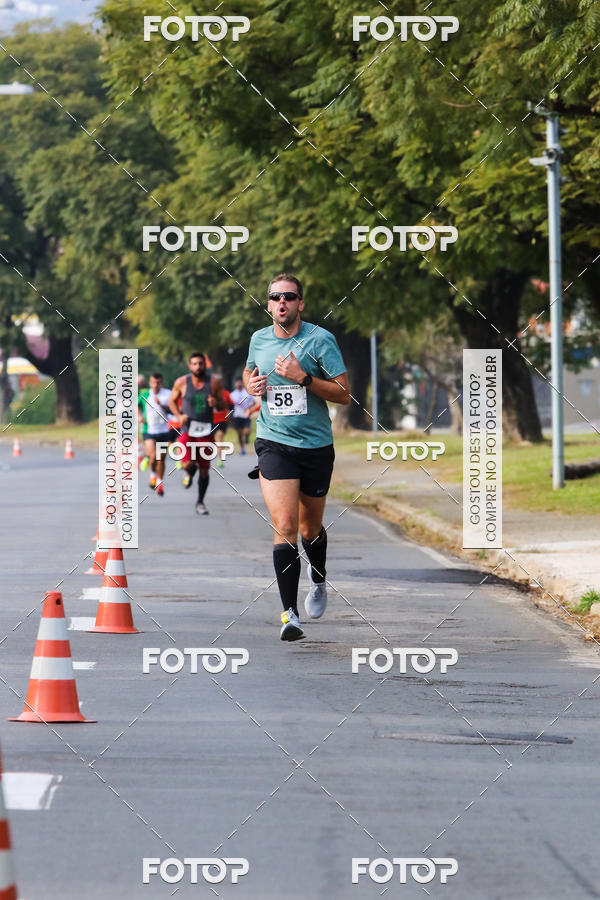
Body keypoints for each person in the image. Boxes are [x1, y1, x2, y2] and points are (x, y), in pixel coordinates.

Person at [243, 273, 350, 641]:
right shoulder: (259, 339)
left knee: (310, 528)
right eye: (275, 297)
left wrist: (303, 378)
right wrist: (250, 385)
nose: (281, 302)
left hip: (316, 446)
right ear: (269, 304)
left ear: (300, 303)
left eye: (289, 296)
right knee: (285, 524)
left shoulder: (321, 340)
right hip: (274, 443)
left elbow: (342, 394)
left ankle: (318, 580)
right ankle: (289, 615)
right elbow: (249, 370)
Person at [169, 353, 224, 515]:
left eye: (200, 364)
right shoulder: (181, 382)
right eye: (194, 364)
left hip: (206, 431)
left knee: (205, 469)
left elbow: (223, 405)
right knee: (187, 463)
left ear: (204, 365)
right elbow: (171, 401)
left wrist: (216, 403)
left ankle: (200, 502)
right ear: (189, 366)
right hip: (187, 430)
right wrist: (179, 416)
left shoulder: (214, 382)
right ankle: (188, 472)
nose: (197, 367)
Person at [138, 373, 172, 496]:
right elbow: (136, 405)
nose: (156, 385)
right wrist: (140, 416)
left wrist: (162, 405)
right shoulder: (145, 394)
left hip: (163, 431)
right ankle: (152, 474)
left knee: (161, 459)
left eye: (158, 383)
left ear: (161, 383)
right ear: (150, 383)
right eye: (153, 383)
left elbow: (173, 409)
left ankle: (159, 482)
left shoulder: (168, 394)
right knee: (152, 457)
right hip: (149, 430)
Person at [229, 376, 255, 455]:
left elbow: (253, 402)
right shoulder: (233, 394)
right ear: (235, 384)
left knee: (247, 430)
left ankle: (247, 438)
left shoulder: (247, 393)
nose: (239, 384)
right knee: (239, 433)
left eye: (240, 382)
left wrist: (249, 408)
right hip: (237, 415)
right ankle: (242, 448)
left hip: (246, 415)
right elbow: (231, 405)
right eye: (237, 382)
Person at [212, 380, 234, 468]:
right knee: (210, 440)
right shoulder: (210, 393)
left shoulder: (226, 394)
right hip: (211, 420)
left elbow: (232, 406)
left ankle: (220, 459)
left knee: (220, 437)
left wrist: (229, 414)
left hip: (222, 419)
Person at [137, 375, 150, 471]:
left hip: (148, 420)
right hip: (143, 421)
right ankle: (146, 456)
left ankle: (147, 456)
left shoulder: (146, 392)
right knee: (145, 439)